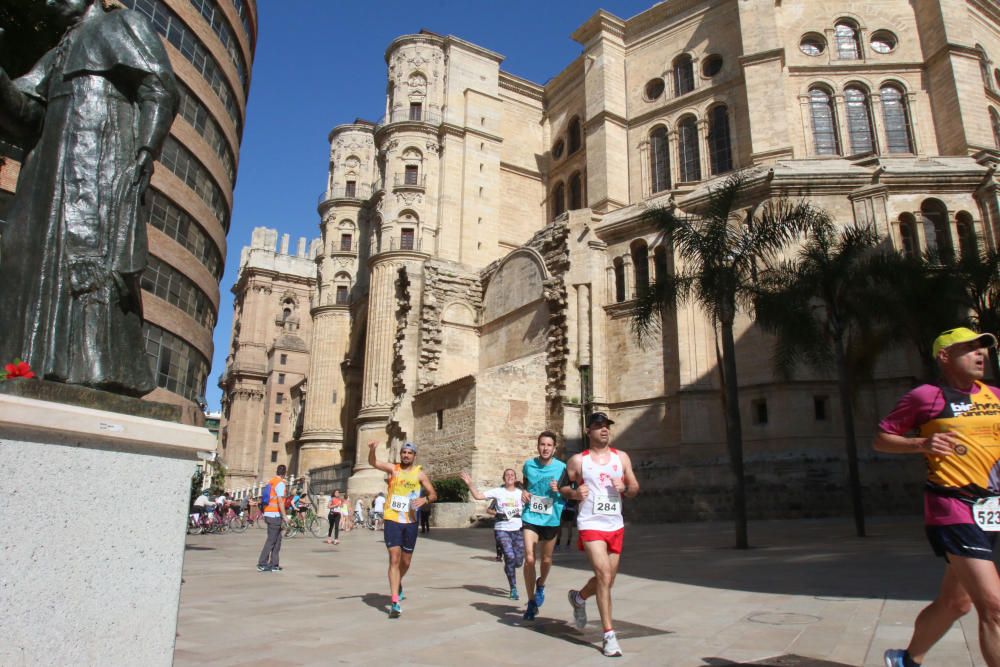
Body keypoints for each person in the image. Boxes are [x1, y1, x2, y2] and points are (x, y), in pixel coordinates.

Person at [0, 0, 179, 396]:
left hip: (101, 161)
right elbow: (27, 113)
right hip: (49, 174)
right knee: (28, 262)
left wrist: (144, 153)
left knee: (94, 270)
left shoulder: (122, 26)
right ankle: (27, 366)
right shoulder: (56, 53)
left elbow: (159, 87)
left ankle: (99, 370)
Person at [876, 328, 1000, 667]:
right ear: (944, 356)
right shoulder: (926, 397)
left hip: (992, 510)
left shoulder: (995, 396)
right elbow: (882, 438)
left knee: (956, 604)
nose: (980, 354)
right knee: (994, 606)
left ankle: (906, 660)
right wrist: (921, 444)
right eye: (969, 348)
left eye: (982, 348)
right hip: (952, 507)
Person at [561, 412, 640, 657]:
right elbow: (564, 488)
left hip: (615, 525)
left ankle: (579, 597)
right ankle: (609, 635)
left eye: (606, 426)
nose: (604, 430)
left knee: (608, 580)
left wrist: (625, 488)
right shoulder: (578, 461)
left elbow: (635, 488)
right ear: (588, 431)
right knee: (604, 574)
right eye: (598, 426)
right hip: (590, 523)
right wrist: (575, 494)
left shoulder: (621, 457)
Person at [367, 441, 437, 618]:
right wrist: (372, 450)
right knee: (394, 559)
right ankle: (395, 601)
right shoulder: (393, 469)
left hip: (411, 521)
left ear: (414, 456)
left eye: (409, 453)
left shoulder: (420, 474)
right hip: (392, 519)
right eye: (404, 452)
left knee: (406, 562)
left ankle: (398, 582)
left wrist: (425, 500)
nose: (406, 455)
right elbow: (374, 463)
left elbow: (433, 494)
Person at [520, 430, 567, 621]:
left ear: (554, 448)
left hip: (551, 517)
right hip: (531, 516)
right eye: (542, 444)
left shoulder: (562, 467)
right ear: (537, 446)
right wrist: (523, 492)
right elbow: (525, 485)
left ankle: (541, 584)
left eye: (549, 445)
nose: (545, 448)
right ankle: (531, 602)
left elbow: (569, 491)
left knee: (546, 560)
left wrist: (560, 490)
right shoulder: (528, 465)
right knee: (530, 559)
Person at [461, 470, 525, 599]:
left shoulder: (521, 494)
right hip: (502, 529)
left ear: (516, 478)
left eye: (512, 475)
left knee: (518, 561)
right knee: (510, 556)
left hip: (518, 530)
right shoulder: (498, 492)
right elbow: (478, 496)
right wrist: (470, 484)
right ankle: (513, 588)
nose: (510, 477)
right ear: (503, 478)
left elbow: (538, 503)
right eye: (507, 475)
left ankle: (509, 567)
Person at [257, 465, 288, 572]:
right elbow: (280, 501)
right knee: (271, 540)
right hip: (275, 515)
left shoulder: (272, 481)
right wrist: (285, 516)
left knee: (277, 540)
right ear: (285, 473)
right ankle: (262, 563)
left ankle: (274, 564)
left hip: (269, 513)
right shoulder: (280, 483)